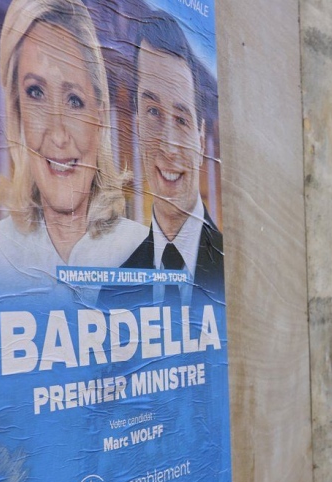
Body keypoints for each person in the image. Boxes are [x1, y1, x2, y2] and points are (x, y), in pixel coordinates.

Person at [0, 0, 147, 303]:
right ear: (17, 111)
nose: (58, 135)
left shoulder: (141, 250)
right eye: (36, 93)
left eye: (74, 100)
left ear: (99, 117)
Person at [101, 9, 224, 310]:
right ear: (138, 123)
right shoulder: (113, 292)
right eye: (153, 112)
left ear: (199, 136)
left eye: (181, 119)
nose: (168, 146)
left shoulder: (234, 268)